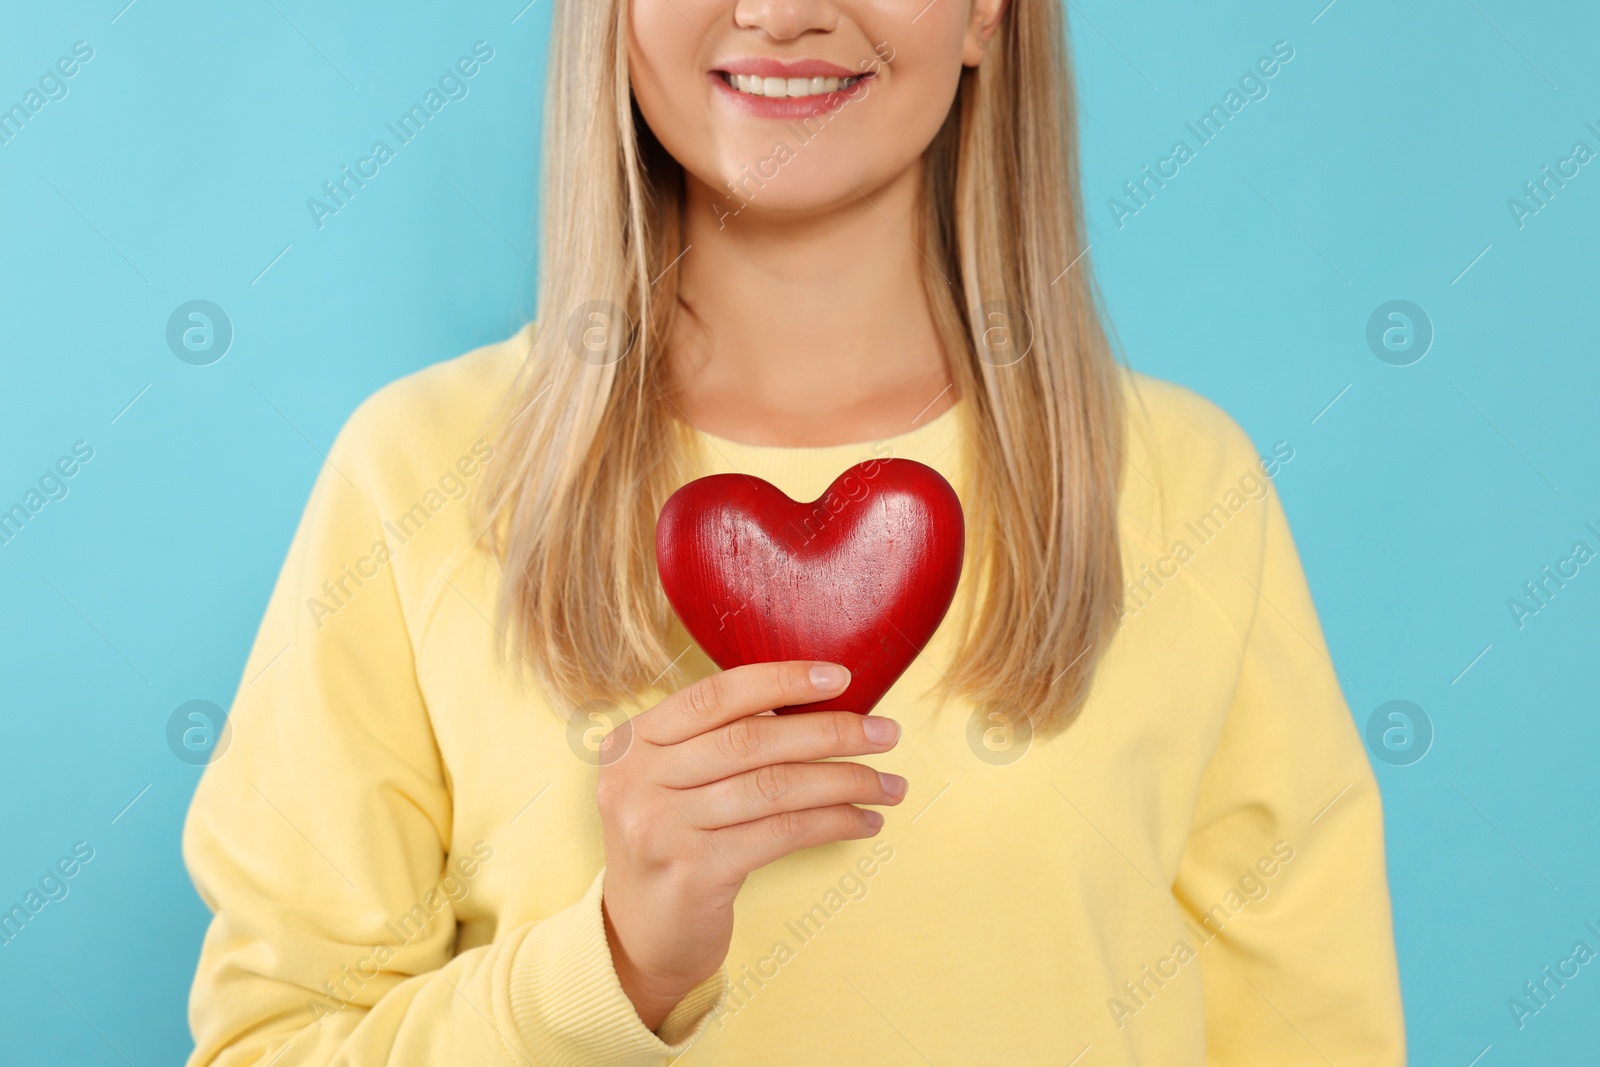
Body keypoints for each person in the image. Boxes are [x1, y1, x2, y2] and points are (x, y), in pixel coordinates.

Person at [182, 0, 1407, 1063]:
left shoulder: (1183, 481)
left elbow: (1311, 1031)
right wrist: (614, 967)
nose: (783, 11)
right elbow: (271, 1045)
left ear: (986, 9)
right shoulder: (420, 472)